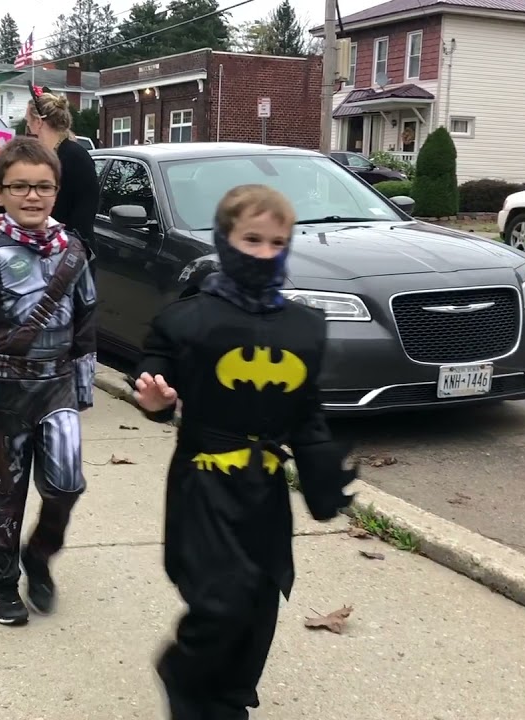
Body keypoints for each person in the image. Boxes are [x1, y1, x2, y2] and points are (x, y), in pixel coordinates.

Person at [130, 184, 358, 720]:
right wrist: (157, 400)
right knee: (219, 601)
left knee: (259, 603)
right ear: (225, 239)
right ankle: (184, 676)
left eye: (276, 242)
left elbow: (306, 412)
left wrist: (322, 472)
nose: (263, 252)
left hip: (264, 490)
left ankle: (231, 697)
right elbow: (153, 373)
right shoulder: (188, 321)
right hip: (203, 481)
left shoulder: (302, 328)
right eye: (250, 239)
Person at [0, 137, 97, 626]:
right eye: (20, 187)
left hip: (55, 387)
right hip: (3, 393)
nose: (32, 197)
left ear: (56, 191)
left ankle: (40, 555)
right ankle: (0, 580)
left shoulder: (73, 250)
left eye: (43, 187)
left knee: (66, 485)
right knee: (4, 497)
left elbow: (86, 316)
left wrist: (82, 380)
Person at [24, 88, 98, 254]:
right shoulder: (48, 155)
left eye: (28, 121)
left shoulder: (75, 157)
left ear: (38, 122)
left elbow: (83, 214)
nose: (27, 126)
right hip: (48, 249)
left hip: (70, 255)